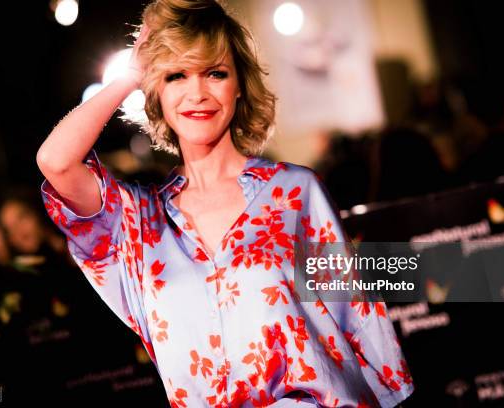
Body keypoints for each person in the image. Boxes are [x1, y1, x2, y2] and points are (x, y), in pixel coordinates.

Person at [36, 0, 414, 406]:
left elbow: (360, 324)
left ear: (238, 86)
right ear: (156, 92)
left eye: (216, 73)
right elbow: (55, 162)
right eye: (177, 76)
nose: (198, 93)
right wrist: (130, 75)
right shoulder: (136, 224)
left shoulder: (293, 193)